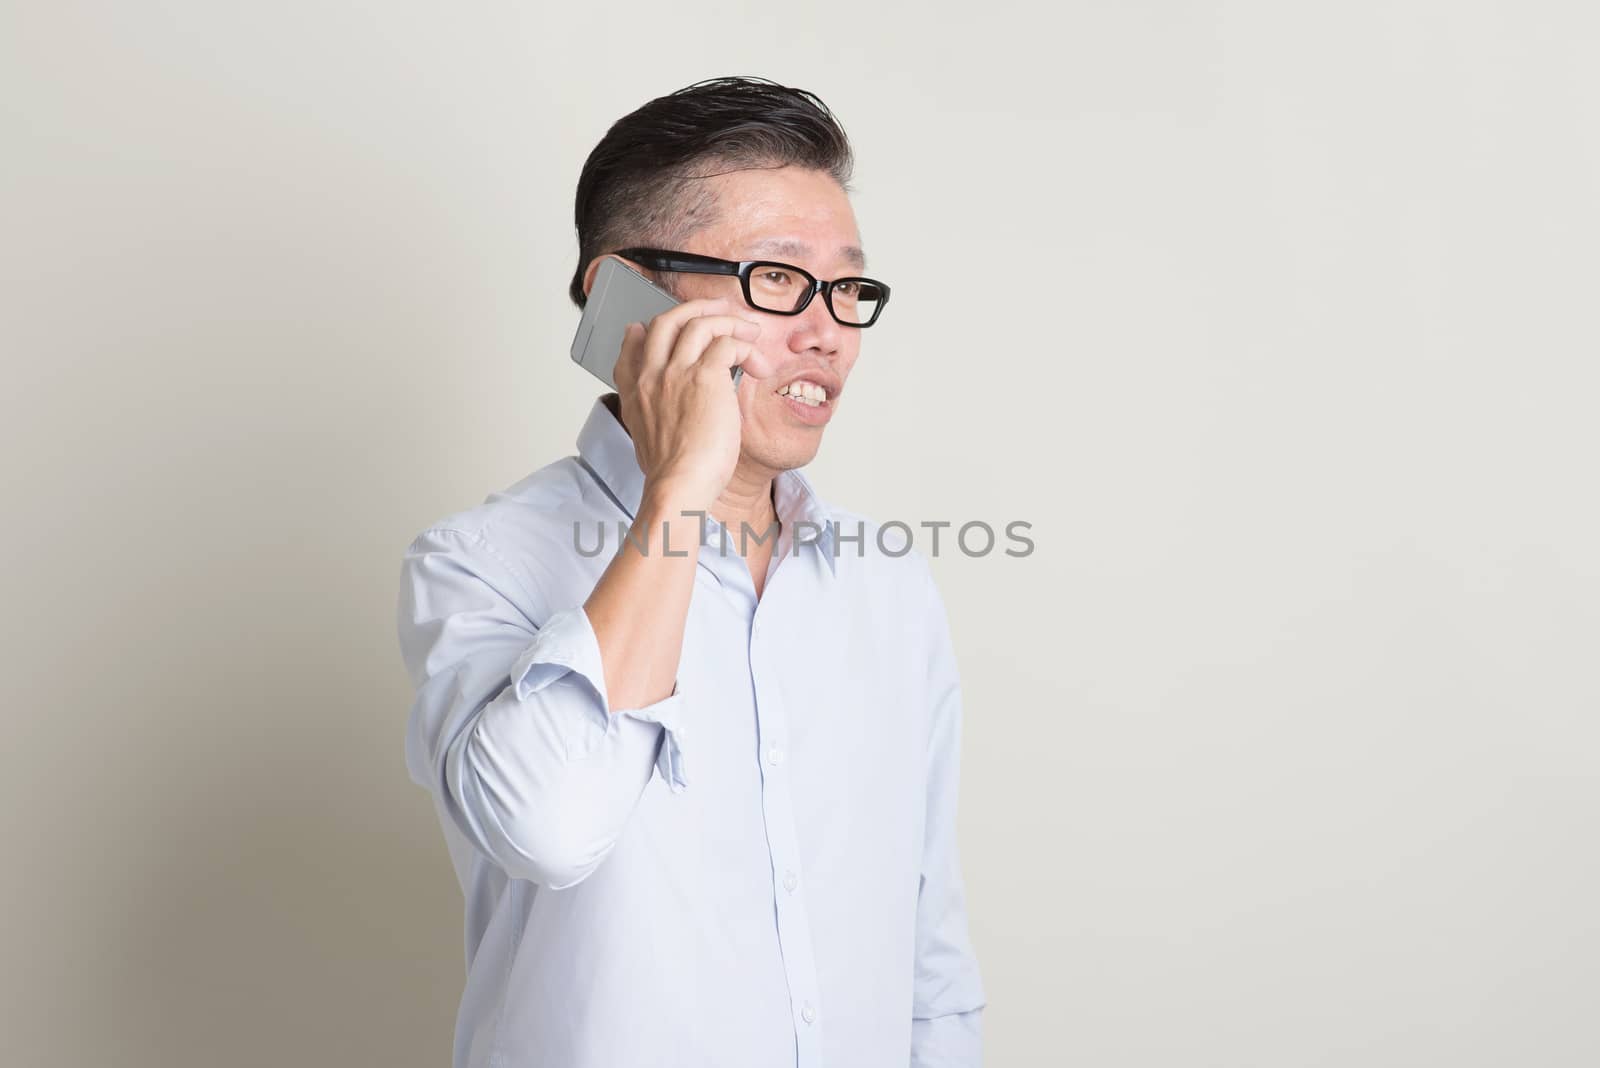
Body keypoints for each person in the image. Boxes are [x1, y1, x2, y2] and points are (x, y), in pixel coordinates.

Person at [395, 75, 985, 1068]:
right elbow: (548, 825)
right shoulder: (477, 562)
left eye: (846, 287)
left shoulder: (887, 587)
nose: (825, 331)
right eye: (776, 279)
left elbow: (928, 956)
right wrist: (678, 499)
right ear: (621, 298)